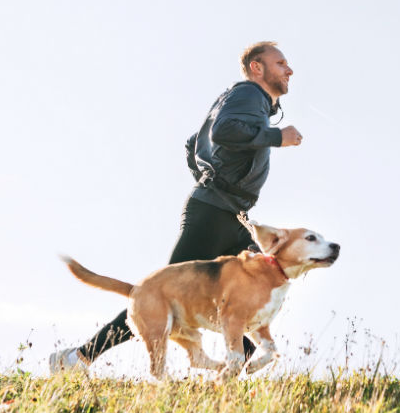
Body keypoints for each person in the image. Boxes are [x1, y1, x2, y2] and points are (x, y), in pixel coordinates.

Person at [49, 41, 303, 374]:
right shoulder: (249, 96)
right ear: (258, 68)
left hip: (225, 212)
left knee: (256, 285)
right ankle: (77, 359)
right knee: (160, 295)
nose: (289, 69)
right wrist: (275, 137)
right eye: (280, 62)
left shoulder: (243, 101)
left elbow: (193, 143)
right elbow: (224, 131)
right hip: (214, 213)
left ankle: (233, 372)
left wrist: (211, 178)